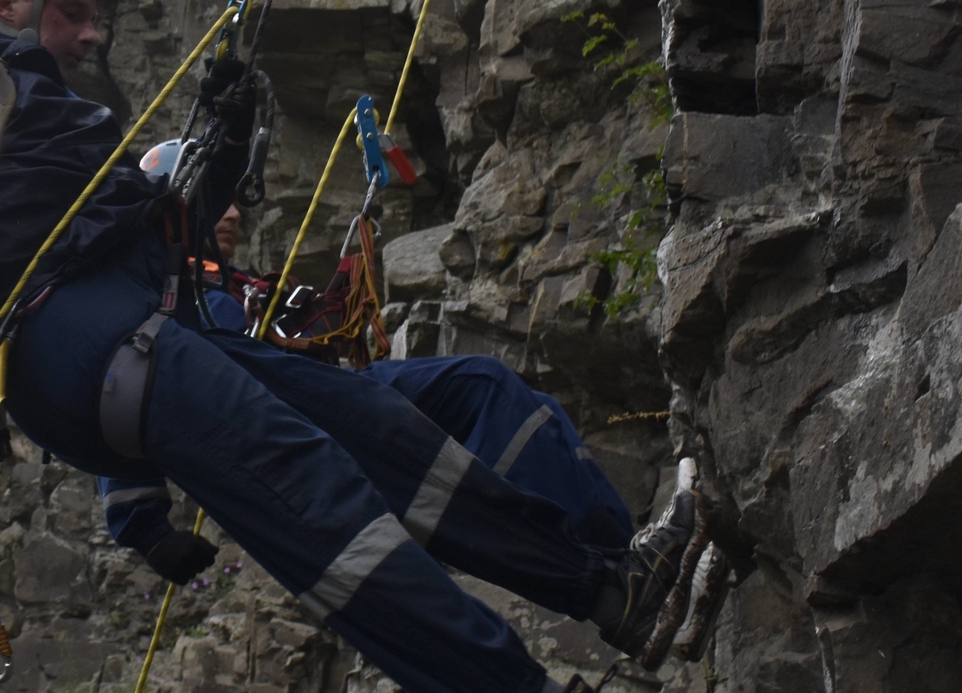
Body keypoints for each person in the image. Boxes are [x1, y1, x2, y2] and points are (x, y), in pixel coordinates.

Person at [0, 0, 736, 693]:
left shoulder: (41, 116)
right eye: (75, 12)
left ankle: (609, 588)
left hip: (129, 328)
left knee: (381, 432)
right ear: (8, 1)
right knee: (321, 500)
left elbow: (153, 238)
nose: (92, 34)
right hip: (74, 336)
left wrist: (224, 133)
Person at [99, 192, 635, 566]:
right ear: (173, 211)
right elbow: (115, 394)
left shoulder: (233, 285)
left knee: (501, 393)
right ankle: (608, 555)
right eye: (218, 201)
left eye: (234, 202)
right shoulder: (158, 301)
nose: (235, 213)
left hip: (329, 395)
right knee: (483, 391)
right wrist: (146, 530)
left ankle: (614, 547)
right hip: (294, 427)